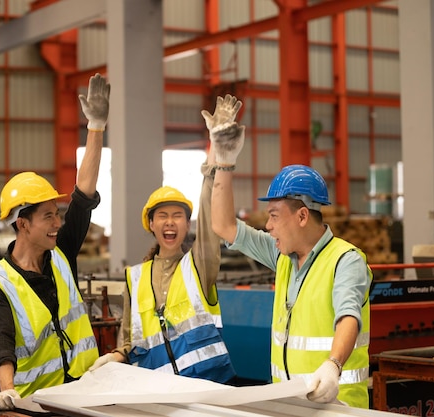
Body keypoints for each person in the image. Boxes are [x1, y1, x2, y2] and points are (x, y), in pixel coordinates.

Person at [209, 112, 371, 407]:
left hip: (338, 407)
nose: (267, 226)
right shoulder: (281, 255)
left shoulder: (346, 260)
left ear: (302, 216)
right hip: (293, 406)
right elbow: (223, 226)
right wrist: (223, 162)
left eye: (273, 216)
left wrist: (333, 365)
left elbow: (349, 316)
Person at [88, 95, 243, 384]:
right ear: (150, 223)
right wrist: (115, 356)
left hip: (207, 391)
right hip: (158, 396)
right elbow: (131, 341)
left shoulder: (199, 265)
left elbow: (211, 218)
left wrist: (216, 156)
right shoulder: (135, 278)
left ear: (187, 225)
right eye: (162, 216)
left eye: (177, 216)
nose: (170, 222)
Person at [0, 73, 110, 412]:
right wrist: (7, 392)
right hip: (39, 404)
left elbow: (83, 194)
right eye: (48, 217)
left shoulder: (61, 253)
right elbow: (1, 342)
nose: (58, 224)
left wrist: (95, 127)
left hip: (87, 395)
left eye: (58, 214)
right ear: (23, 224)